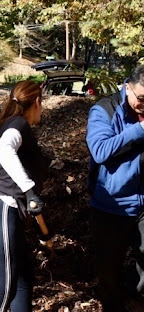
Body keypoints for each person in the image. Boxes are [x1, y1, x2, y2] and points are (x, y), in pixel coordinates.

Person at [0, 81, 48, 311]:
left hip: (4, 211)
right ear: (37, 102)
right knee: (4, 289)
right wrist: (29, 191)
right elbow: (4, 149)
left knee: (22, 281)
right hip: (2, 209)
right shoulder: (18, 124)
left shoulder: (12, 123)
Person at [86, 65, 144, 311]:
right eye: (141, 98)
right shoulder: (104, 109)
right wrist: (139, 130)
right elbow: (99, 150)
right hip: (113, 204)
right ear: (127, 87)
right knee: (109, 271)